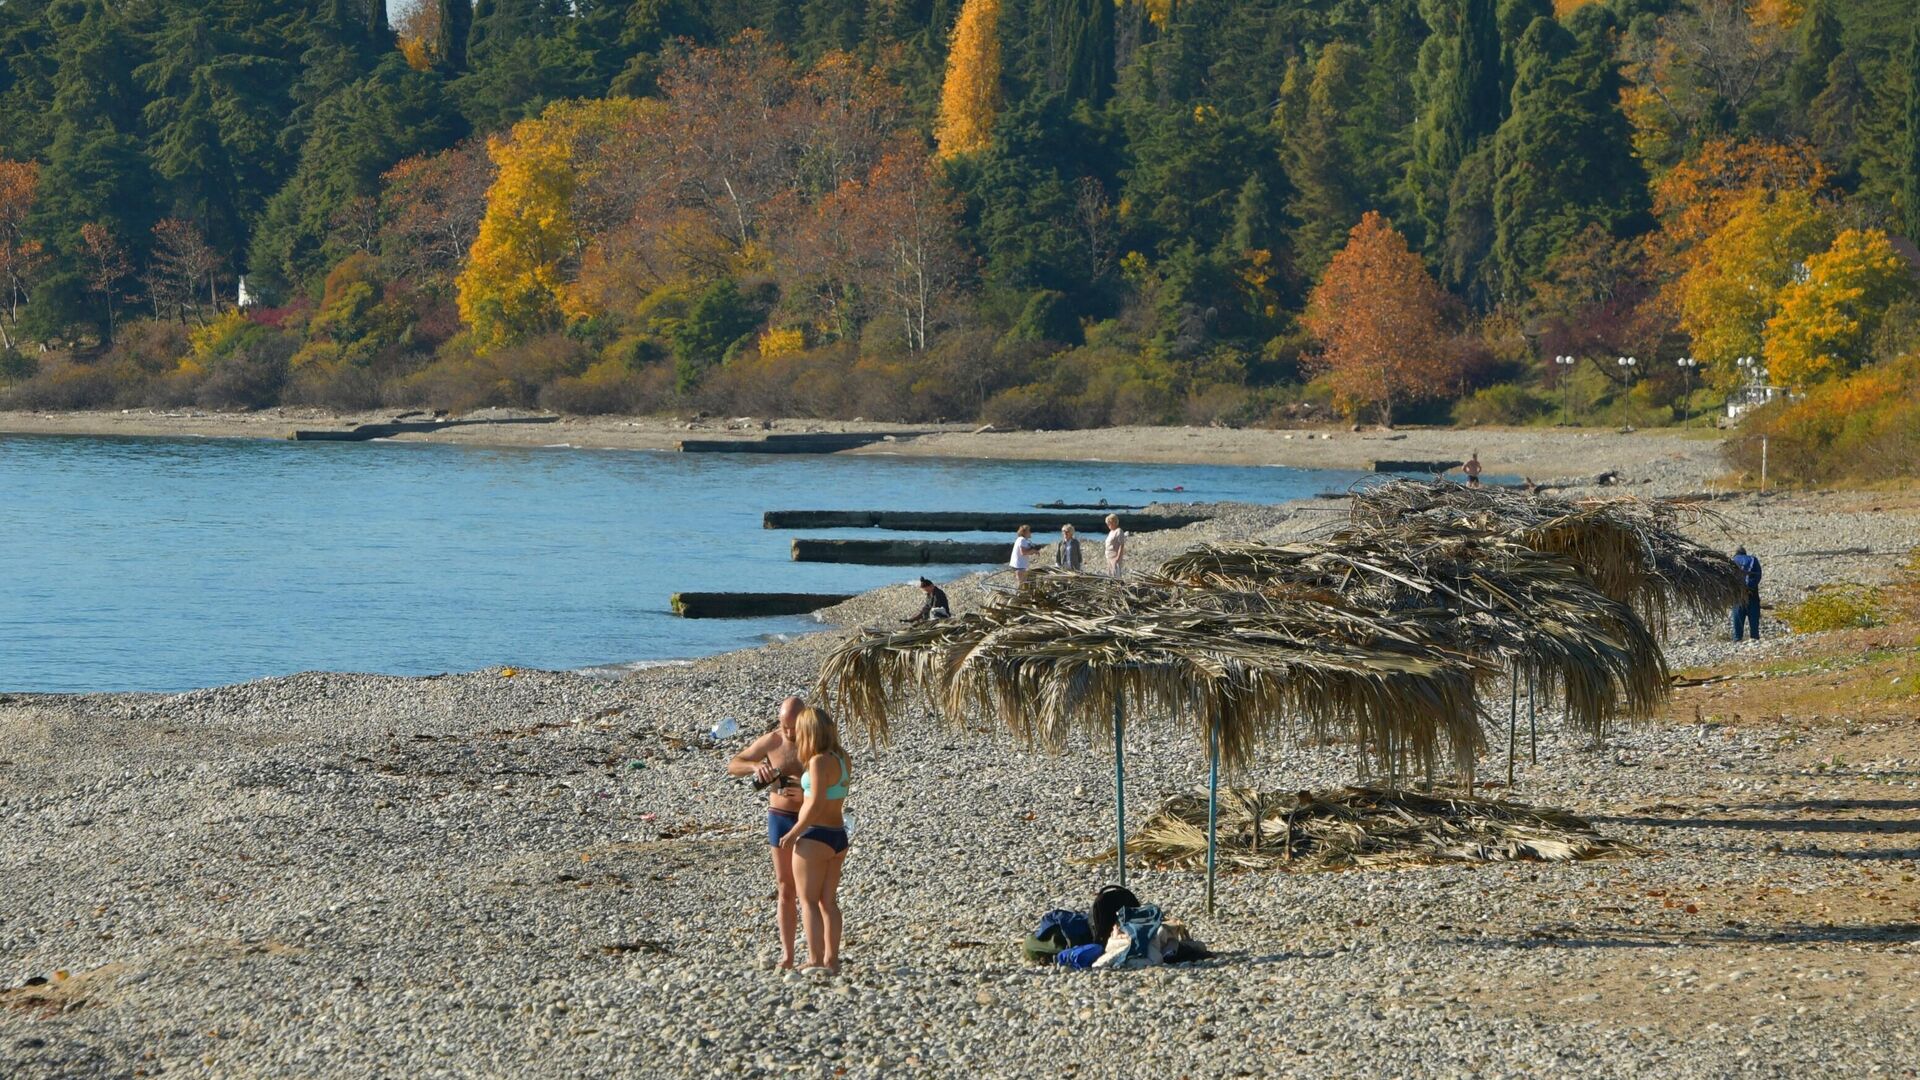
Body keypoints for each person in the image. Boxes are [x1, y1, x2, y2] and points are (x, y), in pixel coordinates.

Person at [725, 696, 806, 968]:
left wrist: (806, 791)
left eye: (794, 727)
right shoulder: (772, 740)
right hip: (780, 816)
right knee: (785, 887)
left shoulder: (816, 740)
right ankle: (788, 953)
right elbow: (734, 764)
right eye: (785, 726)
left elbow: (837, 778)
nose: (790, 733)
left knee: (810, 889)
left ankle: (818, 953)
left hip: (809, 817)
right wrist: (756, 767)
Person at [777, 705, 852, 973]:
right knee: (828, 902)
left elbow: (816, 802)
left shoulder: (819, 760)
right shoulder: (842, 757)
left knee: (808, 900)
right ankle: (833, 960)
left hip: (815, 835)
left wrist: (795, 831)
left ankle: (815, 958)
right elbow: (830, 795)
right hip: (838, 835)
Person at [1731, 546, 1763, 641]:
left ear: (1736, 553)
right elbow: (1758, 575)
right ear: (1745, 553)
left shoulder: (1732, 561)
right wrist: (1750, 586)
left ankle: (1737, 639)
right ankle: (1755, 638)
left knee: (1738, 618)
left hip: (1738, 595)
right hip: (1752, 594)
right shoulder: (1753, 559)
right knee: (1754, 619)